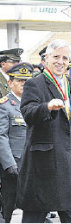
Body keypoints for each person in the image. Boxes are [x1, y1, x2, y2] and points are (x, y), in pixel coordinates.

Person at [16, 39, 71, 223]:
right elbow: (28, 113)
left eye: (65, 58)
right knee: (35, 215)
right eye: (56, 56)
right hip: (44, 162)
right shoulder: (35, 84)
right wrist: (47, 107)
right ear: (46, 58)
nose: (60, 61)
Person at [0, 63, 32, 223]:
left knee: (35, 208)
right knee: (8, 207)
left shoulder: (34, 103)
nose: (23, 84)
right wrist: (9, 164)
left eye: (26, 81)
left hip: (34, 164)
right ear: (10, 83)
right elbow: (1, 136)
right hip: (14, 166)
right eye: (19, 80)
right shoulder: (5, 105)